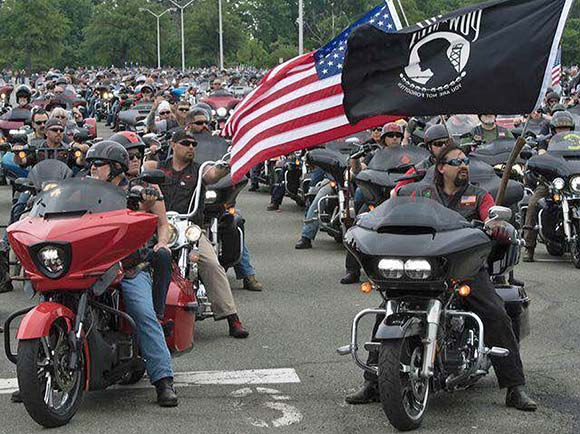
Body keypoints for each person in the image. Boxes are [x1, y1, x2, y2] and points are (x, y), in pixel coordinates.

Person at [347, 145, 537, 412]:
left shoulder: (478, 196)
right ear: (441, 168)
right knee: (386, 309)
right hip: (423, 268)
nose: (463, 165)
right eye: (456, 161)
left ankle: (515, 387)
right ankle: (373, 383)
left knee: (495, 312)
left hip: (465, 270)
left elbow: (493, 218)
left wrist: (498, 226)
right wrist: (370, 220)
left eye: (465, 161)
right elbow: (391, 210)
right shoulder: (419, 193)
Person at [145, 128, 251, 337]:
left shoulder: (199, 170)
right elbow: (144, 170)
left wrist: (228, 163)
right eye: (185, 143)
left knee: (211, 264)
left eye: (193, 144)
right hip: (158, 226)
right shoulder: (158, 168)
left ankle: (232, 317)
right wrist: (147, 156)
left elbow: (213, 174)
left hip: (189, 228)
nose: (191, 147)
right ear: (173, 145)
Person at [110, 131, 173, 320]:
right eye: (130, 157)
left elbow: (163, 224)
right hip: (110, 247)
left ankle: (158, 312)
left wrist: (162, 242)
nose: (136, 160)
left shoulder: (149, 185)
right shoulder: (106, 184)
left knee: (163, 254)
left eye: (139, 155)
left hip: (141, 250)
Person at [340, 122, 404, 284]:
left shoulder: (408, 155)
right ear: (384, 138)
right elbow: (359, 170)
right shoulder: (375, 154)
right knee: (357, 225)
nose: (395, 138)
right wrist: (355, 159)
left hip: (402, 200)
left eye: (398, 135)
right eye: (391, 135)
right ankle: (352, 270)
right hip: (378, 197)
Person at [522, 111, 575, 262]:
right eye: (560, 128)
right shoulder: (546, 142)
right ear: (553, 129)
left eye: (566, 128)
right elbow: (542, 157)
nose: (563, 131)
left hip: (571, 182)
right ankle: (529, 246)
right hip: (550, 182)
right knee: (533, 204)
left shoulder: (575, 143)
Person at [393, 124, 450, 194]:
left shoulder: (460, 162)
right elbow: (396, 192)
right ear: (429, 147)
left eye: (447, 143)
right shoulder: (419, 169)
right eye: (438, 143)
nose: (444, 146)